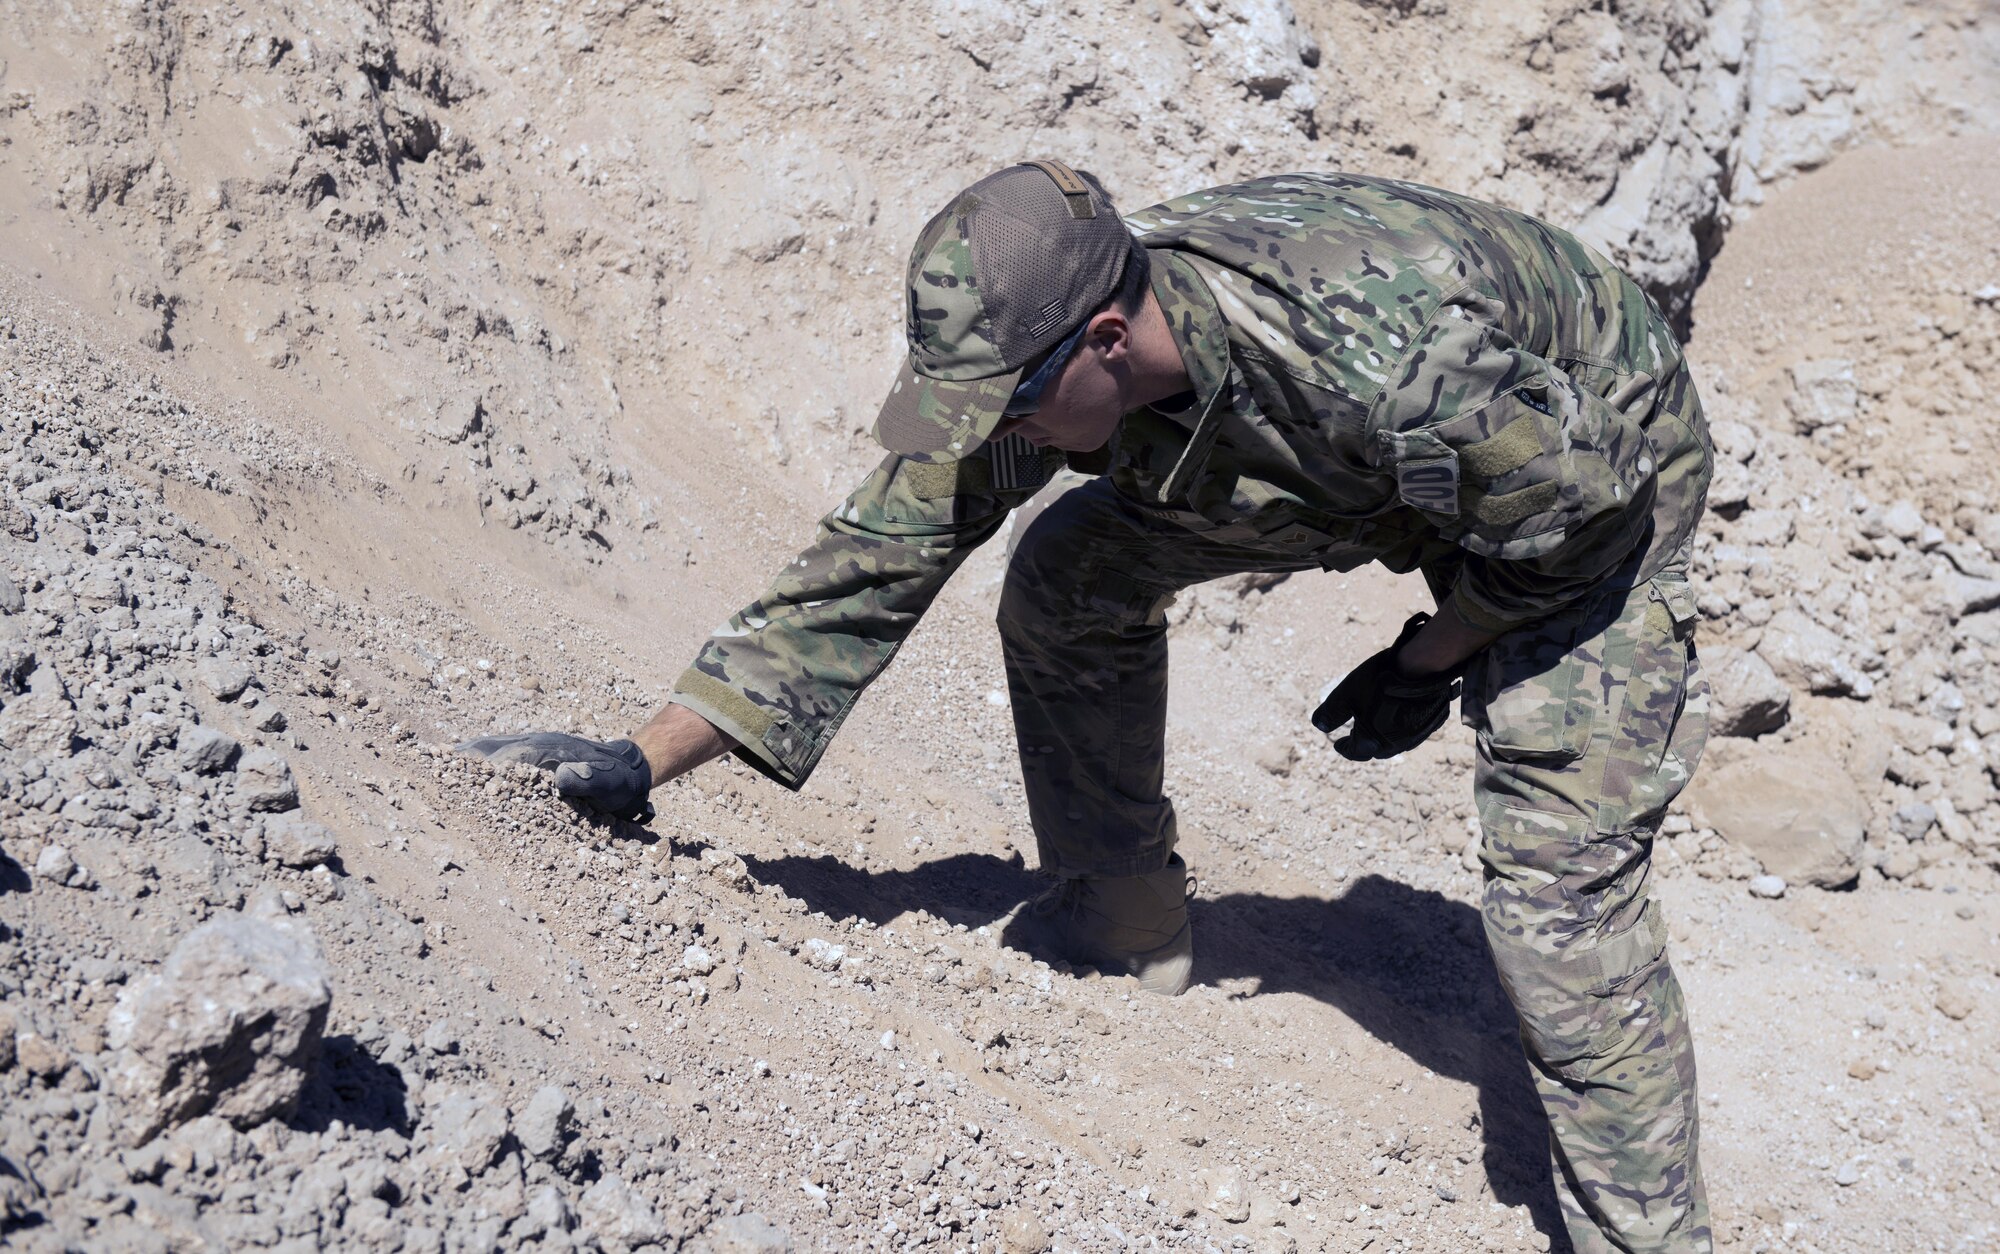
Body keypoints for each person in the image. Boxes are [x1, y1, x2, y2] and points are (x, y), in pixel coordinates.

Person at [462, 160, 1714, 1252]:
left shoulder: (1390, 365)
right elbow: (871, 560)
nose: (995, 430)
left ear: (1106, 345)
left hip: (1591, 471)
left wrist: (1429, 658)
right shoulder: (1044, 345)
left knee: (1559, 888)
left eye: (1009, 404)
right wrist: (641, 760)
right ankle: (1127, 925)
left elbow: (1578, 521)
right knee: (1069, 572)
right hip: (1340, 460)